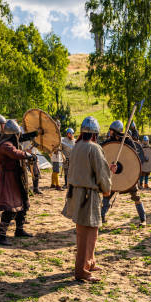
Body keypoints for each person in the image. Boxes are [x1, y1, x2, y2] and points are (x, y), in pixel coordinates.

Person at [62, 116, 112, 282]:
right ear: (95, 134)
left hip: (77, 193)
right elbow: (101, 173)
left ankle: (90, 262)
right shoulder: (94, 148)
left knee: (92, 231)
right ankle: (82, 271)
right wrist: (107, 189)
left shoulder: (76, 147)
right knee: (85, 233)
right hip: (87, 195)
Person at [0, 120, 36, 245]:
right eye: (17, 135)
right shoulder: (5, 145)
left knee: (23, 203)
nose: (18, 137)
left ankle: (19, 230)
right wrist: (28, 155)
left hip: (17, 178)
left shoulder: (10, 142)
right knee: (10, 207)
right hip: (8, 179)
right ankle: (1, 237)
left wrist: (35, 133)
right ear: (12, 135)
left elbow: (21, 141)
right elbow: (15, 153)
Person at [100, 120, 148, 226]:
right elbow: (101, 149)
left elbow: (134, 157)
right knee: (107, 195)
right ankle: (101, 217)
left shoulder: (128, 141)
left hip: (127, 174)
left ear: (116, 131)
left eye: (111, 130)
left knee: (136, 196)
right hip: (113, 175)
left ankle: (143, 219)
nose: (110, 132)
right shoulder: (110, 141)